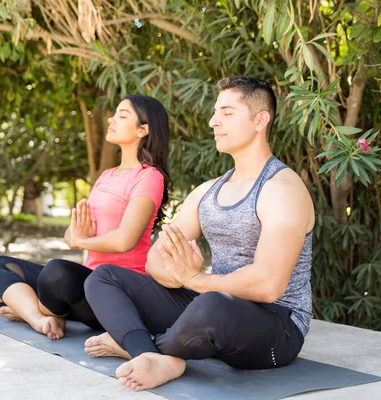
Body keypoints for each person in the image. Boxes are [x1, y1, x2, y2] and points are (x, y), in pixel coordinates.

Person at [82, 76, 315, 391]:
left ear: (260, 120)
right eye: (215, 112)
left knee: (211, 305)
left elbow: (268, 286)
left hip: (278, 326)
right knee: (105, 276)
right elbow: (155, 259)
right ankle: (150, 354)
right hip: (214, 303)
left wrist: (195, 280)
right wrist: (181, 274)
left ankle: (143, 344)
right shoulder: (208, 191)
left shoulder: (282, 189)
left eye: (227, 113)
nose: (213, 121)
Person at [0, 95, 171, 342]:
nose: (111, 119)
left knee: (56, 272)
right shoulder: (107, 175)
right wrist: (77, 237)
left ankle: (43, 308)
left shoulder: (149, 177)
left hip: (115, 291)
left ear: (142, 130)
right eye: (114, 114)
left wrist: (80, 241)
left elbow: (124, 241)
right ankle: (40, 318)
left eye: (122, 115)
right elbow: (73, 234)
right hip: (84, 280)